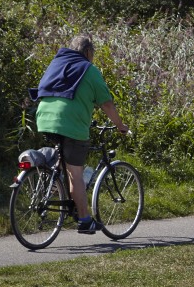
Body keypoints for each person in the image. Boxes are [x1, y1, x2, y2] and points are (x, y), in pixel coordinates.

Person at [32, 34, 128, 234]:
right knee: (76, 173)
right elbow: (107, 104)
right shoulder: (89, 69)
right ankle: (84, 220)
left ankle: (55, 184)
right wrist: (120, 125)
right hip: (71, 123)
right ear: (87, 52)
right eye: (92, 54)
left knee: (63, 163)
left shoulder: (57, 64)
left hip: (44, 118)